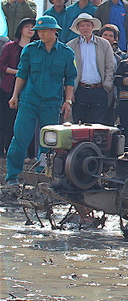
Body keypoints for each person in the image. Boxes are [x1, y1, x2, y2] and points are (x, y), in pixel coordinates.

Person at [5, 16, 76, 185]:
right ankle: (12, 176)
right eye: (39, 31)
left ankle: (43, 173)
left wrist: (68, 101)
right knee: (20, 138)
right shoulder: (30, 50)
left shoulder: (67, 53)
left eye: (44, 31)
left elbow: (70, 79)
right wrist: (15, 95)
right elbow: (22, 74)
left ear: (54, 31)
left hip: (52, 103)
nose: (41, 34)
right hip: (29, 100)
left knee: (48, 142)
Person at [67, 13, 116, 125]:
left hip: (99, 89)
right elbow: (68, 71)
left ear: (92, 27)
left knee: (98, 125)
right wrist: (71, 92)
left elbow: (110, 66)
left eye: (88, 25)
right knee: (78, 124)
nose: (85, 28)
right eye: (82, 25)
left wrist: (106, 86)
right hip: (80, 89)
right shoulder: (71, 46)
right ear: (78, 28)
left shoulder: (104, 44)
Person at [0, 18, 35, 156]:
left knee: (26, 122)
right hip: (8, 87)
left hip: (29, 89)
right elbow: (1, 65)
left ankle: (28, 152)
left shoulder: (37, 47)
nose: (30, 29)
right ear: (21, 29)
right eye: (27, 26)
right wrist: (18, 72)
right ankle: (4, 148)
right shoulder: (9, 46)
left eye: (32, 27)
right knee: (7, 120)